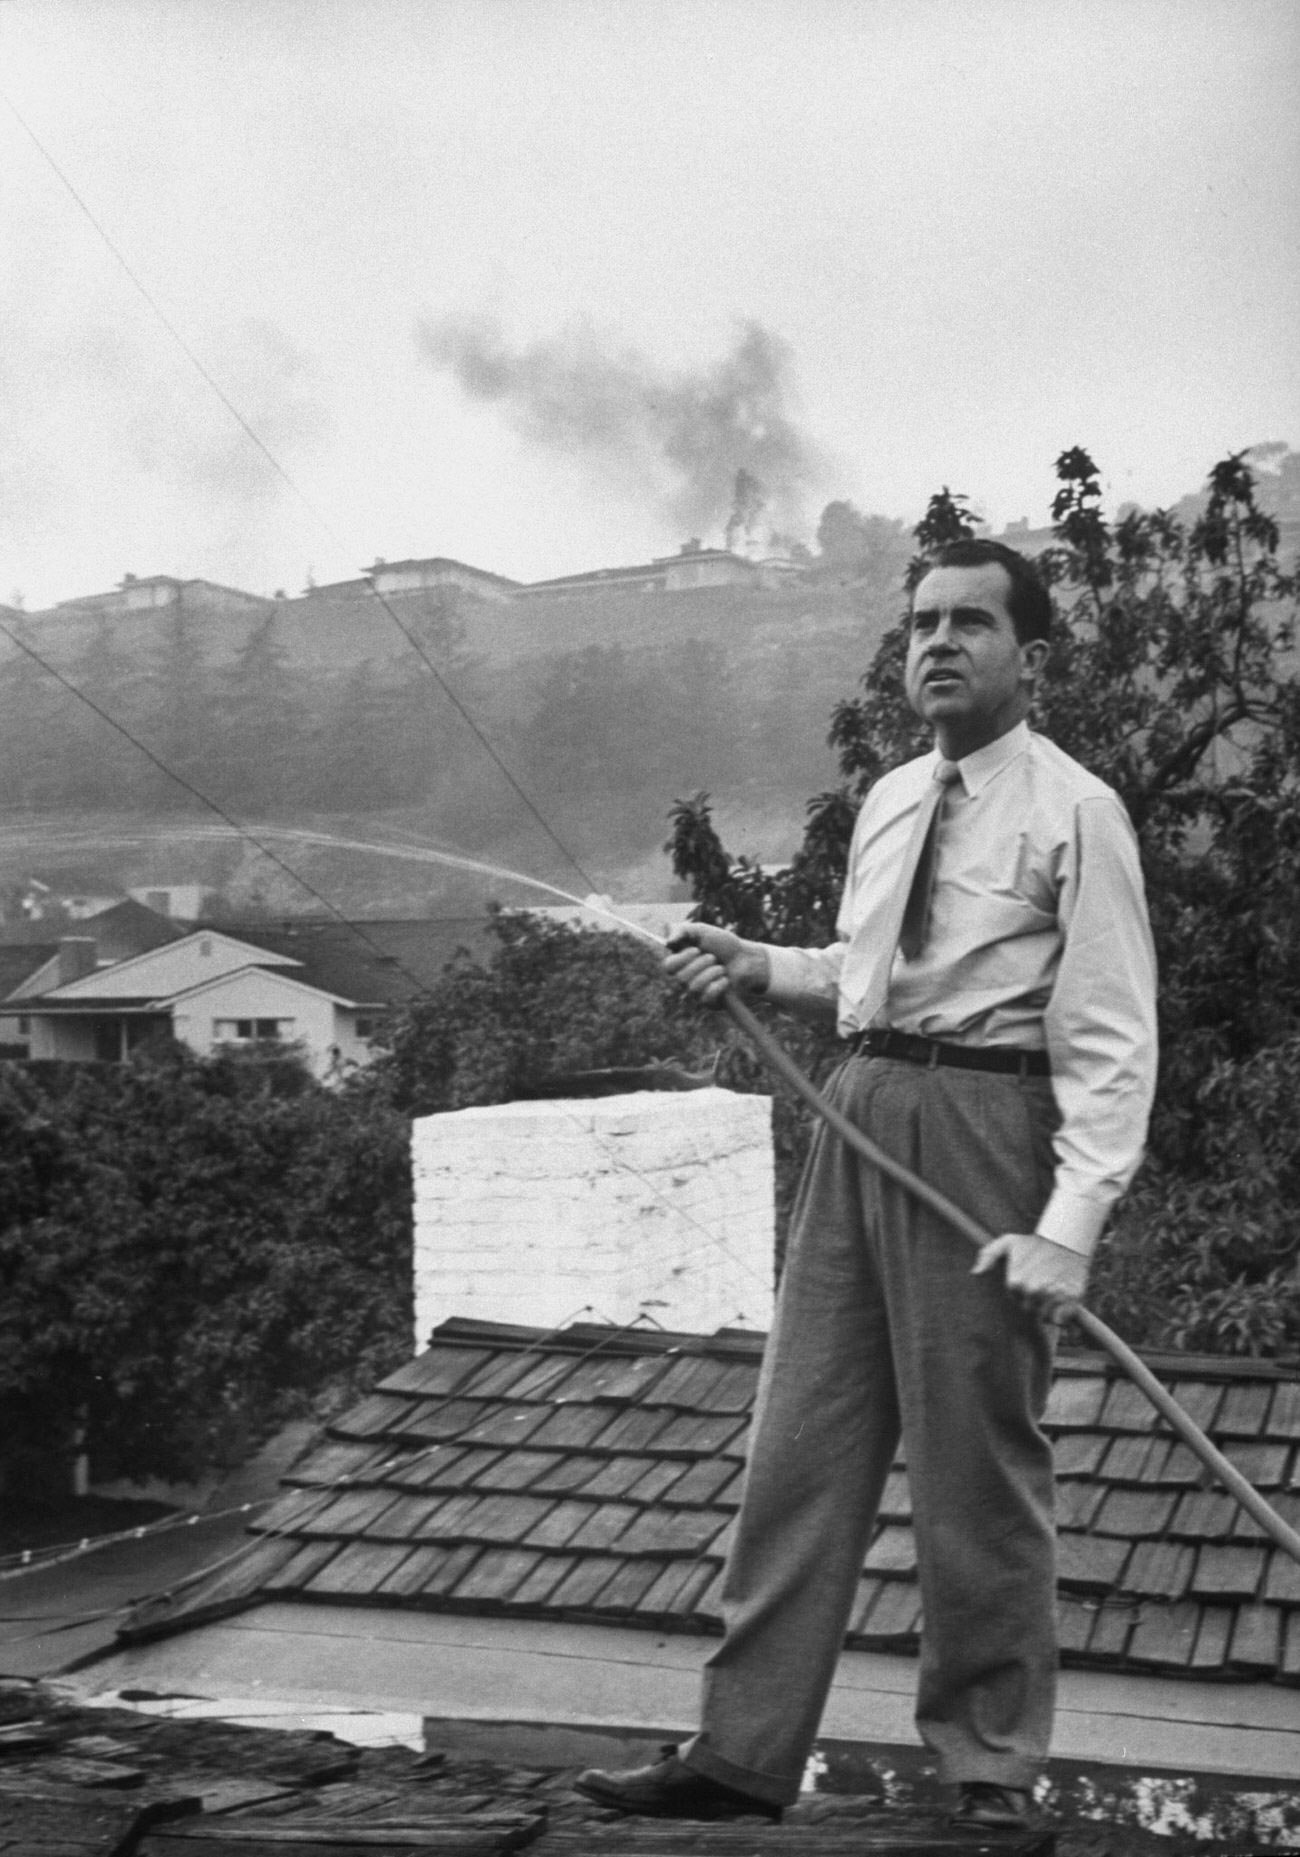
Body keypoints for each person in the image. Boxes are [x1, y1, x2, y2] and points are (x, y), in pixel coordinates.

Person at [575, 538, 1158, 1829]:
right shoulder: (897, 795)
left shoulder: (1077, 810)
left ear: (1032, 655)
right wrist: (756, 960)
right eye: (920, 627)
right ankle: (739, 1752)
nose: (938, 644)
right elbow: (865, 966)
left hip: (986, 1124)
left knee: (976, 1462)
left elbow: (1115, 1042)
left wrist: (1067, 1227)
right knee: (803, 1438)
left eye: (969, 623)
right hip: (863, 1109)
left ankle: (989, 1767)